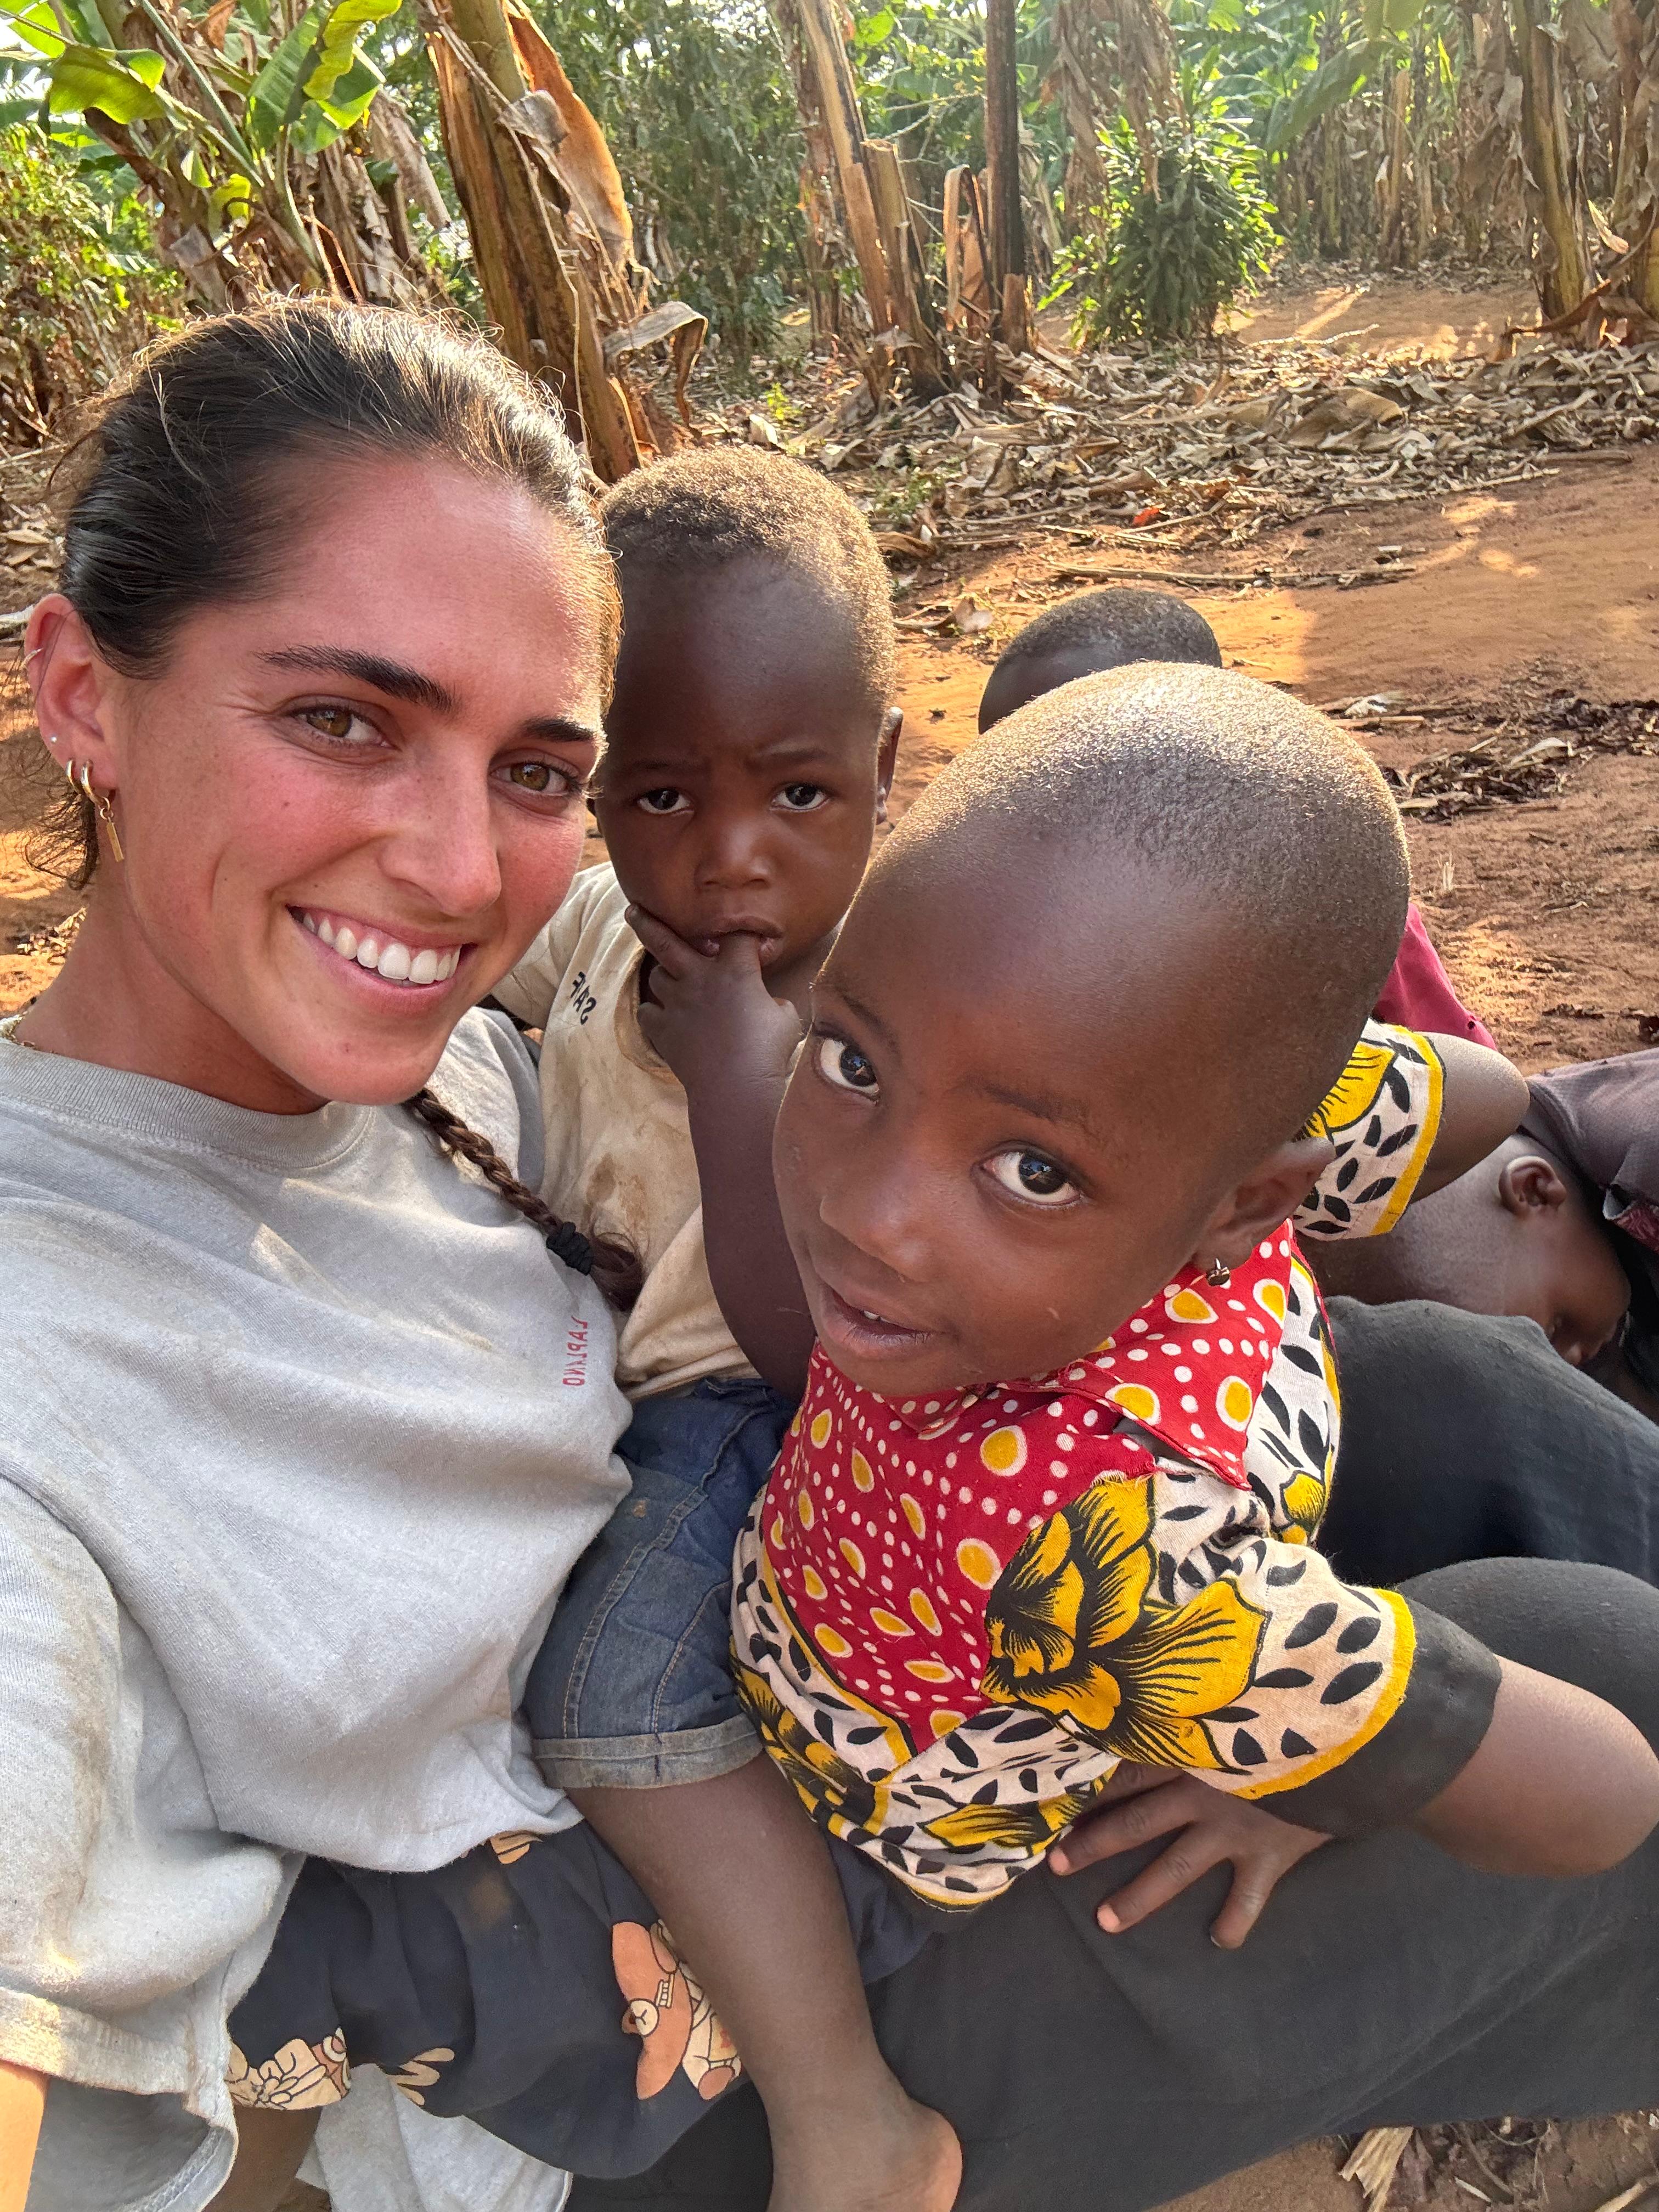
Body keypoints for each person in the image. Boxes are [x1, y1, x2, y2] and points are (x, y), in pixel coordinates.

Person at [224, 672, 1658, 2211]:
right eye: (849, 1062)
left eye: (1031, 1167)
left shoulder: (1111, 1562)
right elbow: (1493, 1093)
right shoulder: (1188, 1107)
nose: (867, 1212)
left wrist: (1306, 1760)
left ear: (1240, 1197)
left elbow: (1600, 1796)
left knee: (436, 1925)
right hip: (920, 1593)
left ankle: (850, 2125)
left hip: (871, 1822)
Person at [0, 300, 647, 2212]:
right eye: (341, 720)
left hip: (793, 1817)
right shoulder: (41, 1358)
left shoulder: (442, 1049)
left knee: (1437, 1407)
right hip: (610, 2120)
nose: (459, 870)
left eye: (534, 770)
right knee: (1566, 1670)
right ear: (81, 693)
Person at [979, 586, 1496, 1048]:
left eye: (1073, 776)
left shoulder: (1328, 889)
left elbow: (1450, 1064)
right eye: (1003, 771)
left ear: (1201, 736)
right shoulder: (988, 907)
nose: (1029, 809)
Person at [1308, 1050, 1658, 1420]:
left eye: (1556, 1326)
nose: (1567, 1363)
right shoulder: (1541, 1150)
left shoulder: (1645, 1163)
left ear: (1535, 1191)